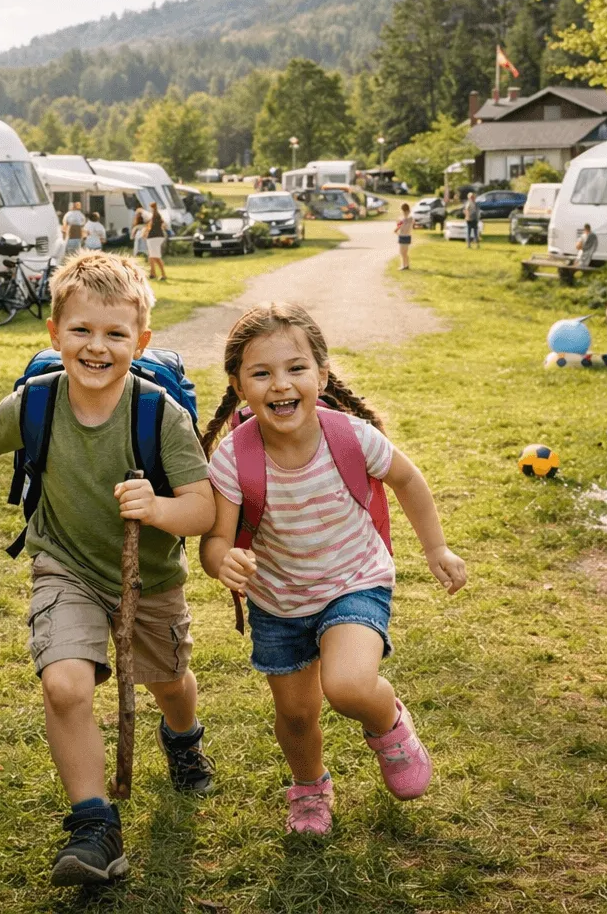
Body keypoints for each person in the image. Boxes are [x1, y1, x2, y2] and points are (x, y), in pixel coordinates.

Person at [0, 252, 215, 887]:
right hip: (64, 564)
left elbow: (202, 508)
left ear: (140, 341)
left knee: (170, 680)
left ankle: (182, 739)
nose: (97, 347)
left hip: (149, 580)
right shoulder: (35, 402)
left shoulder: (159, 415)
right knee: (65, 685)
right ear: (54, 333)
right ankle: (95, 825)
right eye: (82, 331)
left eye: (115, 334)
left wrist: (158, 507)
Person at [197, 303, 466, 835]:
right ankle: (310, 788)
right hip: (278, 601)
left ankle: (388, 724)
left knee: (346, 685)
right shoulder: (232, 457)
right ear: (238, 385)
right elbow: (215, 540)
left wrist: (436, 549)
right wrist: (220, 561)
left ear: (321, 374)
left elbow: (407, 480)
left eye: (296, 368)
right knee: (296, 716)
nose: (281, 384)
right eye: (261, 372)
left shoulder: (349, 435)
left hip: (354, 581)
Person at [140, 201, 168, 281]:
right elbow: (163, 225)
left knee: (156, 257)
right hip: (156, 237)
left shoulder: (155, 216)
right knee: (152, 256)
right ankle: (152, 273)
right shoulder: (157, 216)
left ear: (151, 208)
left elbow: (150, 226)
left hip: (154, 238)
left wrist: (145, 233)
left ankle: (163, 274)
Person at [394, 202, 415, 271]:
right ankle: (406, 265)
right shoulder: (410, 219)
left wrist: (398, 223)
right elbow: (397, 229)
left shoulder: (402, 219)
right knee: (404, 252)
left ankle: (404, 265)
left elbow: (397, 229)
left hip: (403, 236)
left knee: (402, 252)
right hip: (407, 236)